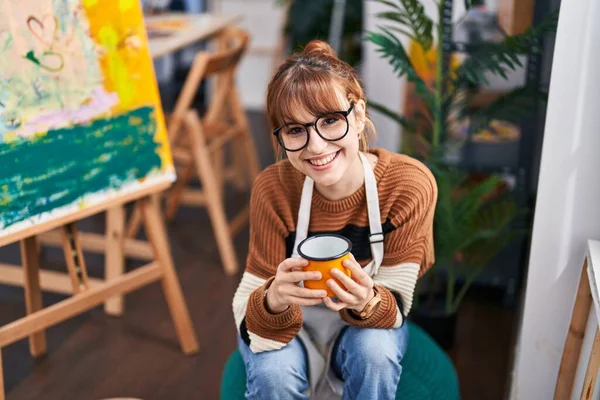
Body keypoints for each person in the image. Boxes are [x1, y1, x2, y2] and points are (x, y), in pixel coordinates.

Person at [232, 40, 437, 400]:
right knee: (273, 376)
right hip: (290, 325)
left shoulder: (407, 185)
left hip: (367, 323)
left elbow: (394, 306)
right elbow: (248, 309)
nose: (316, 146)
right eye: (295, 130)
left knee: (374, 352)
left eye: (330, 121)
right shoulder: (273, 189)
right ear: (280, 137)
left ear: (358, 115)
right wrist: (274, 299)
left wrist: (366, 298)